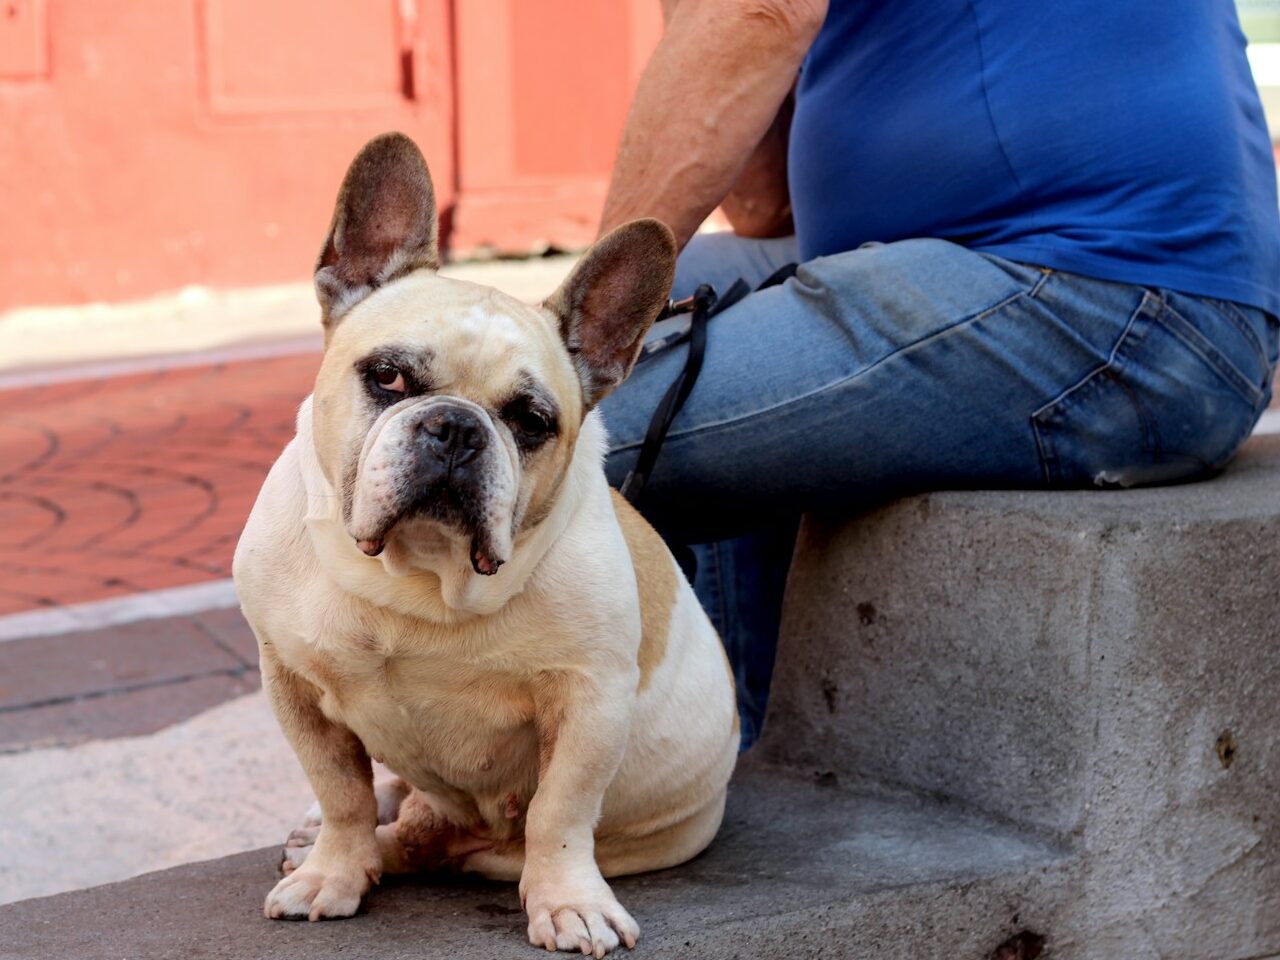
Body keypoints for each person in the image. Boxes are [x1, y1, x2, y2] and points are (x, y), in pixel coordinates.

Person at [594, 0, 1280, 747]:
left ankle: (655, 768)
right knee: (695, 280)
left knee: (563, 438)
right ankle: (726, 741)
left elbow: (762, 12)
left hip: (1108, 295)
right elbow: (763, 203)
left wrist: (572, 334)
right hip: (1078, 278)